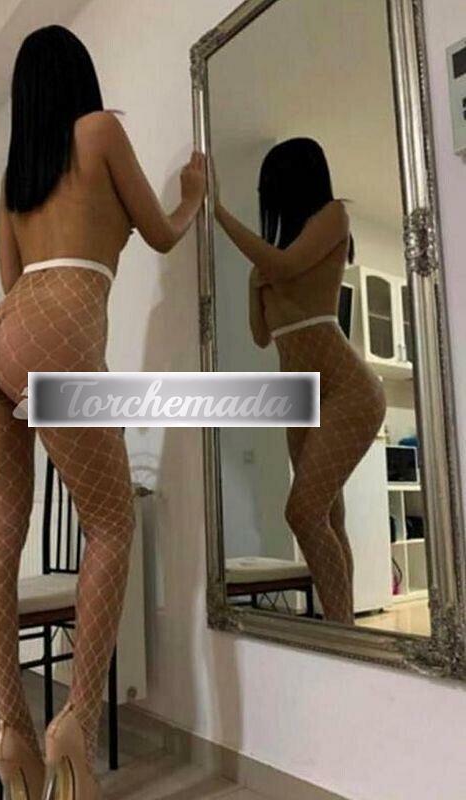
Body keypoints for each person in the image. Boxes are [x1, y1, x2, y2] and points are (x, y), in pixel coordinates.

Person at [0, 25, 206, 800]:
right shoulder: (99, 131)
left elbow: (11, 280)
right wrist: (192, 195)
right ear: (79, 78)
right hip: (55, 329)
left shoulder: (15, 175)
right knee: (111, 525)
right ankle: (75, 725)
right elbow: (161, 235)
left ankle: (9, 726)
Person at [214, 137, 386, 625]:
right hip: (297, 395)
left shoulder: (333, 216)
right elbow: (260, 335)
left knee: (303, 512)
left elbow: (284, 266)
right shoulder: (279, 255)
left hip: (346, 388)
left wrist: (218, 212)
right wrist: (254, 283)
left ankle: (339, 632)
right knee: (327, 515)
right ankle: (344, 629)